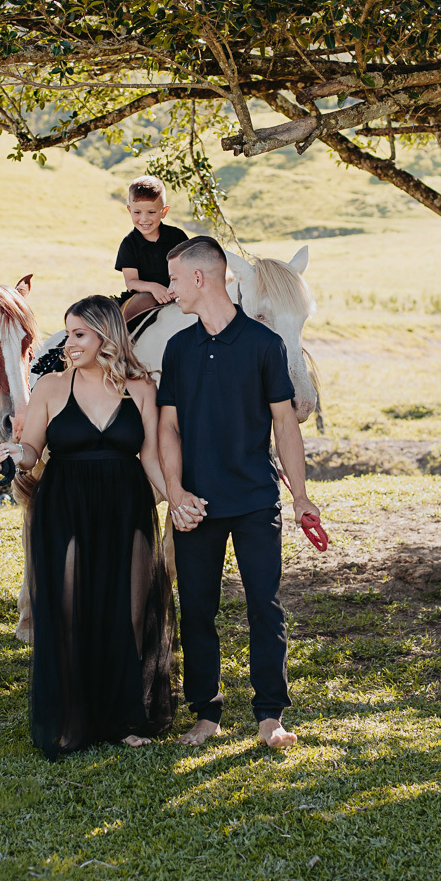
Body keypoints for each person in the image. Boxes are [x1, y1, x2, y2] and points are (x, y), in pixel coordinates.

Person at [0, 296, 176, 760]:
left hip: (126, 506)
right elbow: (32, 448)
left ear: (105, 336)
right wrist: (16, 454)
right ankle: (73, 718)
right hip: (65, 505)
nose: (68, 344)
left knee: (128, 613)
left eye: (79, 335)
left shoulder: (142, 389)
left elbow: (149, 457)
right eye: (68, 334)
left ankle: (126, 715)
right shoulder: (50, 386)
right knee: (68, 609)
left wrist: (178, 500)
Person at [156, 236, 322, 751]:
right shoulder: (178, 348)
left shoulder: (263, 345)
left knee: (263, 608)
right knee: (198, 609)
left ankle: (270, 715)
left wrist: (300, 495)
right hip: (197, 508)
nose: (172, 289)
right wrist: (177, 493)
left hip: (254, 501)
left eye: (176, 279)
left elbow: (285, 425)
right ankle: (206, 714)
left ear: (201, 279)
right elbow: (167, 429)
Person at [115, 176, 188, 322]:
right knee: (124, 321)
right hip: (144, 296)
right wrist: (153, 288)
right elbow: (131, 282)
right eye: (137, 212)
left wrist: (176, 288)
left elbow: (189, 268)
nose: (144, 219)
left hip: (177, 292)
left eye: (151, 212)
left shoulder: (177, 237)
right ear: (129, 210)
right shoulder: (129, 244)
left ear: (164, 211)